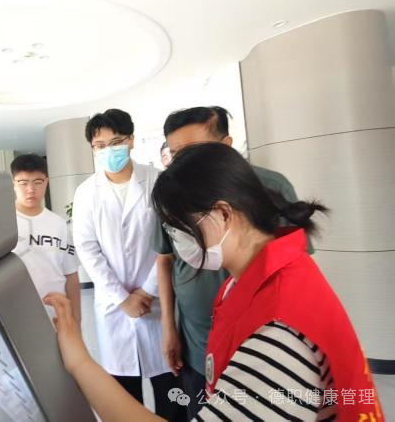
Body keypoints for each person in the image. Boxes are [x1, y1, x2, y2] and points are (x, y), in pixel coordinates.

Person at [45, 143, 383, 421]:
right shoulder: (253, 280)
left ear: (222, 214)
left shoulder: (277, 332)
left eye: (177, 226)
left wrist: (80, 363)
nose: (174, 238)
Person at [154, 106, 312, 419]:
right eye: (175, 155)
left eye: (193, 152)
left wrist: (80, 363)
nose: (183, 165)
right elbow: (165, 259)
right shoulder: (174, 194)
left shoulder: (277, 335)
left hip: (251, 346)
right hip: (198, 344)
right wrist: (169, 329)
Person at [72, 109, 183, 421]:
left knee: (172, 394)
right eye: (100, 145)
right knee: (123, 398)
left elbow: (171, 241)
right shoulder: (86, 193)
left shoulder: (159, 182)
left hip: (158, 302)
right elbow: (87, 249)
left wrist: (147, 291)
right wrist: (122, 298)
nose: (109, 151)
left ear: (131, 140)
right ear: (92, 148)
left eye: (116, 142)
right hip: (114, 308)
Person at [10, 154, 81, 321]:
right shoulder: (3, 222)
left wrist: (76, 320)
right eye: (23, 183)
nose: (30, 189)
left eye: (37, 182)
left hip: (57, 312)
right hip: (16, 313)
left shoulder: (58, 224)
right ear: (13, 184)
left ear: (46, 182)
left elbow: (71, 274)